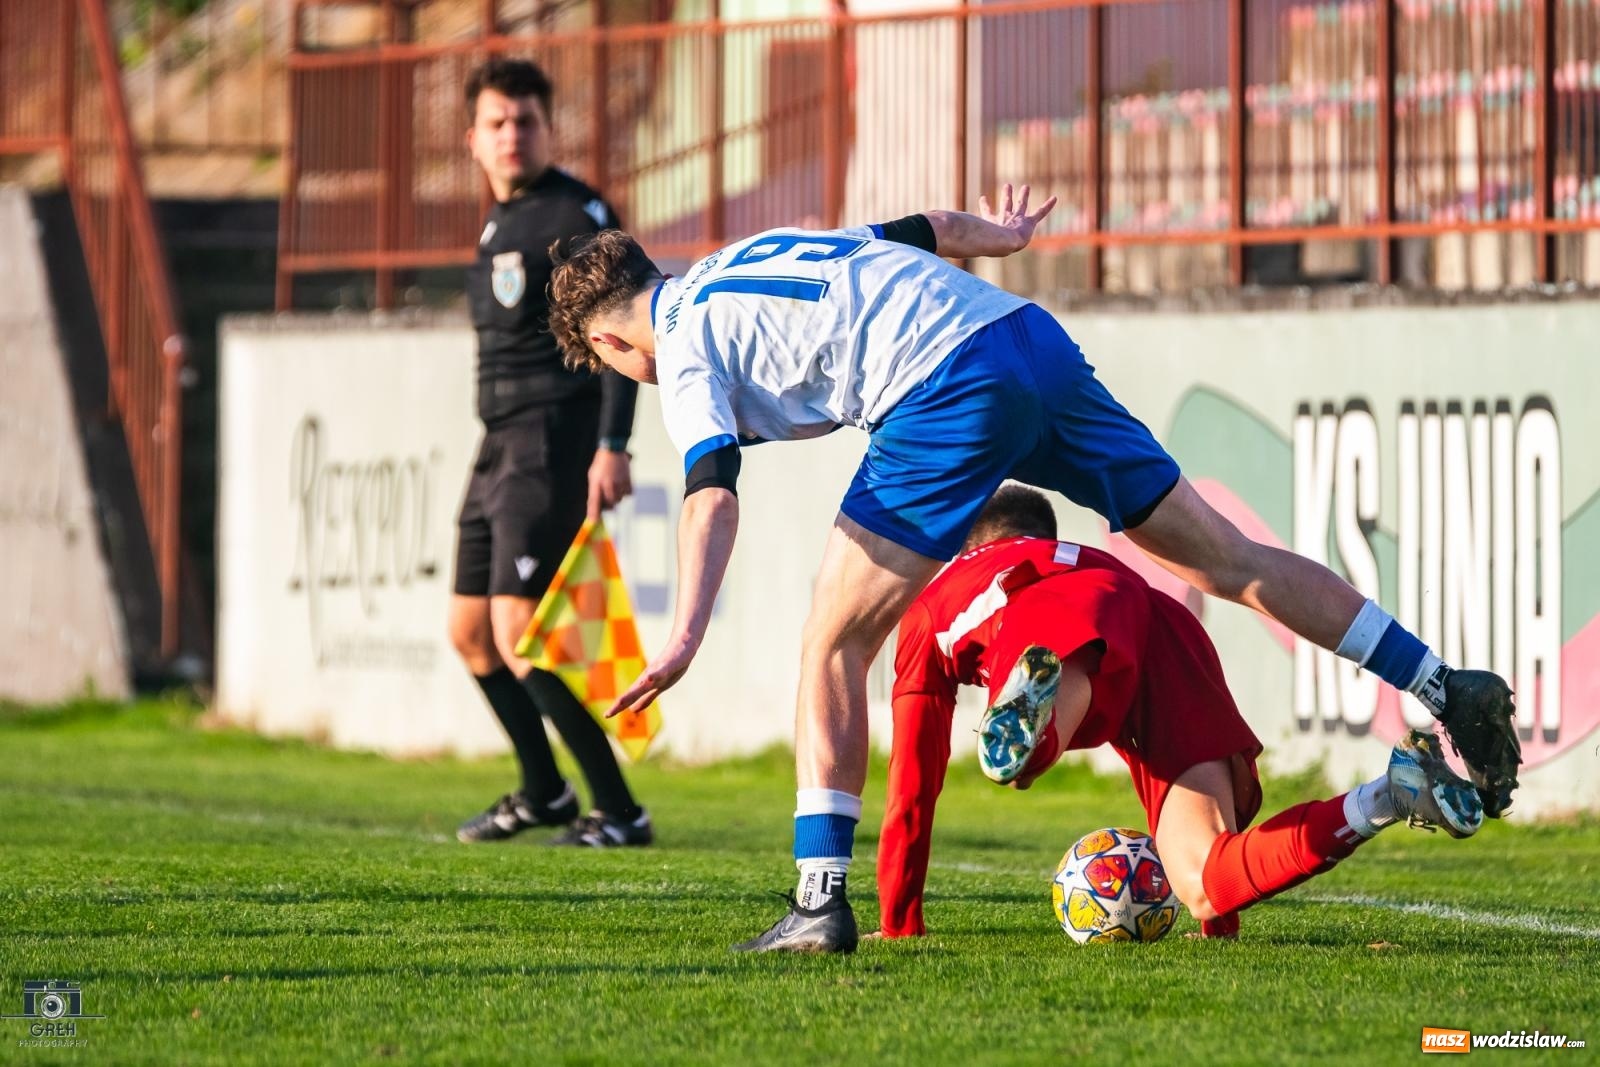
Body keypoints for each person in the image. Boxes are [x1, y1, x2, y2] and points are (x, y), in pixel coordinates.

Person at [544, 186, 1519, 950]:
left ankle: (817, 900)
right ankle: (1440, 680)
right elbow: (917, 227)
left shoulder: (677, 348)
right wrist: (999, 237)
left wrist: (683, 634)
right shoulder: (751, 252)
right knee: (1224, 556)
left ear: (609, 337)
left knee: (830, 644)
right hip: (1026, 338)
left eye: (610, 362)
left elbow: (711, 485)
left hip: (941, 388)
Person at [874, 485, 1483, 943]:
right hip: (1160, 625)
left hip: (1035, 613)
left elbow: (912, 782)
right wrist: (1220, 925)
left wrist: (901, 920)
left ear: (964, 545)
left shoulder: (937, 596)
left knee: (1036, 735)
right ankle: (1392, 795)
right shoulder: (1079, 552)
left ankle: (1034, 724)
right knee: (1203, 883)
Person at [449, 57, 651, 848]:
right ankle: (544, 792)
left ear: (548, 128)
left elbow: (626, 327)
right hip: (496, 443)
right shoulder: (502, 219)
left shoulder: (572, 214)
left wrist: (612, 443)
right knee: (469, 633)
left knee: (519, 633)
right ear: (472, 139)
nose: (511, 135)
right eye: (496, 122)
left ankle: (620, 810)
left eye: (525, 120)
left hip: (549, 440)